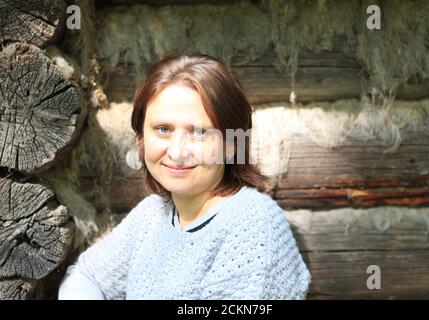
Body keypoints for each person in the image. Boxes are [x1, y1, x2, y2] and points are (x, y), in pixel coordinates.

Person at [58, 54, 311, 300]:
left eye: (199, 132)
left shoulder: (254, 224)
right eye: (163, 129)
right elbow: (85, 276)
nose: (177, 152)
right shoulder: (152, 214)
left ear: (233, 143)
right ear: (141, 137)